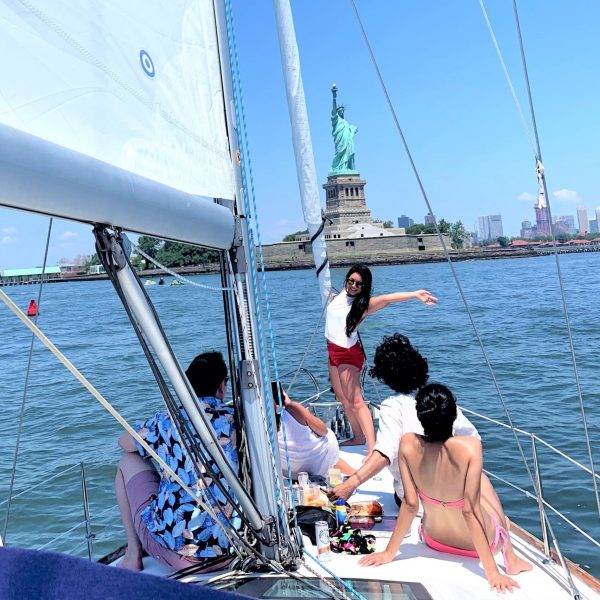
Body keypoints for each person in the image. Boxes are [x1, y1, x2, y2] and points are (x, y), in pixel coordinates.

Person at [359, 383, 532, 593]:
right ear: (453, 415)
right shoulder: (470, 448)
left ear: (421, 416)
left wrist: (388, 553)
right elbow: (470, 511)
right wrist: (492, 572)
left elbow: (411, 504)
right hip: (481, 548)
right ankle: (511, 558)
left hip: (434, 540)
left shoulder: (407, 444)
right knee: (483, 484)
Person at [115, 351, 240, 572]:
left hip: (179, 557)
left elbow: (124, 443)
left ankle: (134, 553)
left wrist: (162, 447)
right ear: (222, 386)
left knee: (127, 461)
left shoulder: (166, 420)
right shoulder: (238, 420)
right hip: (234, 549)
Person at [330, 333, 477, 504]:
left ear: (385, 376)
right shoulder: (439, 399)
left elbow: (385, 453)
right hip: (454, 498)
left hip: (415, 501)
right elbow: (473, 440)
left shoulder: (393, 406)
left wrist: (350, 484)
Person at [325, 269, 437, 454]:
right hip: (332, 351)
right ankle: (358, 437)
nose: (353, 286)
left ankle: (372, 448)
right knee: (343, 399)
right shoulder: (341, 295)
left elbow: (388, 298)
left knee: (356, 402)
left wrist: (415, 294)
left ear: (364, 286)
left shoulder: (364, 305)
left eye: (358, 284)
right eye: (351, 281)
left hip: (348, 354)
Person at [273, 382, 353, 480]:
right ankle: (353, 474)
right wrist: (289, 403)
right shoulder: (293, 409)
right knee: (326, 439)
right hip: (317, 463)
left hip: (290, 472)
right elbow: (323, 431)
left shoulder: (260, 423)